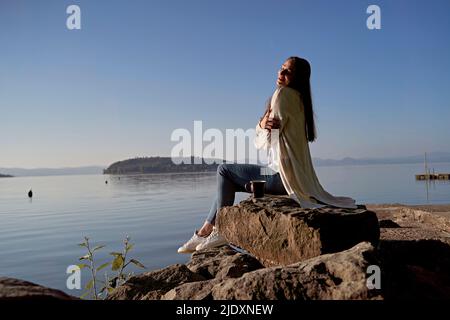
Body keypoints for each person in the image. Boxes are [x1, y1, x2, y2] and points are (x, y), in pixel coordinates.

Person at [177, 56, 357, 253]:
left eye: (288, 71)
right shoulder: (300, 99)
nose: (281, 73)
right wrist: (262, 124)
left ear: (297, 78)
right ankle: (205, 231)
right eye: (281, 68)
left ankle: (218, 229)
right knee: (226, 181)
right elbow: (272, 134)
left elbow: (264, 142)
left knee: (224, 170)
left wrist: (260, 125)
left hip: (282, 177)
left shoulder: (282, 95)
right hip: (296, 178)